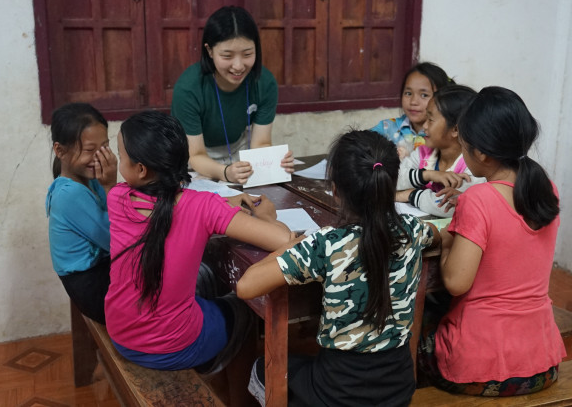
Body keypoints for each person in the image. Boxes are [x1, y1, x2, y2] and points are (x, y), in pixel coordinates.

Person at [236, 129, 441, 407]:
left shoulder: (326, 244)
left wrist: (291, 244)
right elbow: (440, 236)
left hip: (337, 395)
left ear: (335, 190)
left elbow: (246, 286)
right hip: (398, 390)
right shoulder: (413, 231)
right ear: (389, 186)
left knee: (263, 368)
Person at [104, 111, 294, 399]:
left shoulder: (117, 198)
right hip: (173, 346)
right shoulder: (202, 207)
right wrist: (267, 215)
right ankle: (238, 399)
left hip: (121, 333)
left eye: (120, 155)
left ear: (141, 170)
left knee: (205, 288)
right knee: (246, 310)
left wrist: (221, 204)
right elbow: (283, 239)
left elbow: (170, 205)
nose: (119, 162)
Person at [420, 87, 565, 396]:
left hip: (483, 369)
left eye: (464, 142)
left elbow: (457, 283)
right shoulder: (545, 187)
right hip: (542, 361)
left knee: (417, 324)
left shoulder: (478, 199)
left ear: (482, 153)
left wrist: (447, 241)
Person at [171, 5, 294, 184]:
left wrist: (277, 162)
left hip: (237, 154)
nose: (238, 66)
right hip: (194, 160)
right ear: (210, 51)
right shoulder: (189, 88)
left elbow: (260, 144)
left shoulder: (264, 83)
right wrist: (225, 172)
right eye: (227, 56)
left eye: (247, 54)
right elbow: (195, 154)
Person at [45, 102, 117, 324]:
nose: (99, 157)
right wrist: (112, 186)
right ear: (60, 151)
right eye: (89, 150)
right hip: (94, 289)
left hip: (102, 273)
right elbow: (118, 239)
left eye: (104, 147)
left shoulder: (91, 180)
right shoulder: (69, 195)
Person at [395, 85, 485, 218]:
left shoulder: (473, 167)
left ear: (455, 129)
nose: (424, 126)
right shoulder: (424, 153)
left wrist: (409, 194)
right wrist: (427, 175)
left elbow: (449, 206)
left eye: (430, 120)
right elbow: (394, 178)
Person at [371, 62, 453, 159]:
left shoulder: (442, 137)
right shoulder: (387, 128)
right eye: (408, 93)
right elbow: (358, 146)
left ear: (441, 99)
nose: (413, 102)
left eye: (424, 95)